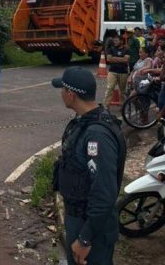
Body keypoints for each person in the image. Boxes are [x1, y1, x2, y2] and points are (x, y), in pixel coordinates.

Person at [51, 66, 126, 265]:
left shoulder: (96, 135)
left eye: (63, 89)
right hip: (81, 219)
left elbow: (104, 193)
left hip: (91, 227)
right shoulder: (86, 121)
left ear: (71, 94)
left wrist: (85, 238)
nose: (61, 93)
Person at [103, 35, 129, 112]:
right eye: (114, 41)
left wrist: (114, 58)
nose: (115, 42)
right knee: (109, 88)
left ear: (121, 41)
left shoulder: (126, 49)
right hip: (112, 71)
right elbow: (108, 59)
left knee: (122, 91)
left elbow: (126, 60)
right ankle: (105, 107)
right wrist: (121, 59)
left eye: (116, 41)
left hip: (123, 72)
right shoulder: (111, 49)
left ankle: (122, 106)